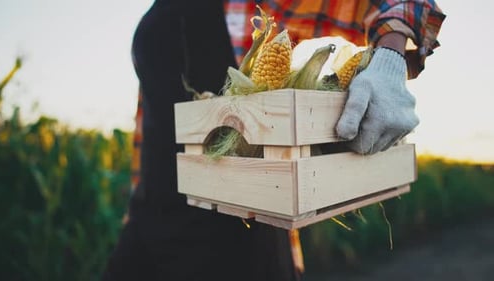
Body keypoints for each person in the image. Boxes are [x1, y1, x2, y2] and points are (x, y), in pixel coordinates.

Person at [102, 1, 445, 280]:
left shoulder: (249, 8)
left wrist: (390, 56)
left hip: (240, 242)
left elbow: (393, 4)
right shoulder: (160, 13)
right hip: (150, 222)